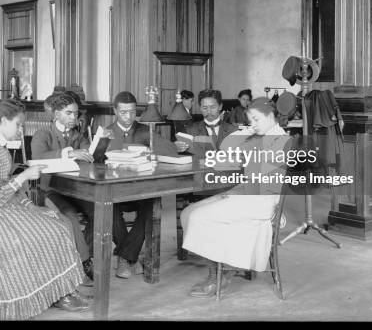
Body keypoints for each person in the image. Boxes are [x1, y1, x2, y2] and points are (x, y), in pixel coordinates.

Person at [0, 99, 89, 319]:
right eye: (18, 125)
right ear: (3, 121)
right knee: (54, 229)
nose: (21, 130)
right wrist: (24, 176)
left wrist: (30, 205)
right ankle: (60, 293)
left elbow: (3, 185)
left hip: (7, 205)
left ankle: (60, 291)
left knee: (58, 221)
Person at [180, 97, 296, 297]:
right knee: (187, 212)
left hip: (260, 203)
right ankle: (220, 268)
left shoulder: (279, 139)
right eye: (251, 120)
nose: (254, 125)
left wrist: (236, 193)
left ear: (270, 116)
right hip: (246, 194)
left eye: (257, 120)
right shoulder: (262, 136)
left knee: (199, 217)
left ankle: (219, 276)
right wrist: (249, 131)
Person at [106, 91, 178, 279]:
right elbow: (94, 165)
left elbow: (171, 150)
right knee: (109, 210)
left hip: (141, 191)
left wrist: (151, 147)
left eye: (132, 112)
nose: (129, 117)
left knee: (153, 206)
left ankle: (125, 257)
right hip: (115, 191)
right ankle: (130, 257)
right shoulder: (106, 132)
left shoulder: (145, 130)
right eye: (123, 112)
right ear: (115, 111)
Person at [30, 92, 95, 282]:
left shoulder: (78, 135)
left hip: (76, 189)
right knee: (69, 215)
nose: (73, 118)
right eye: (68, 113)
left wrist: (96, 148)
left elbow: (88, 156)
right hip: (49, 189)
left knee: (98, 210)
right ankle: (85, 262)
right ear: (56, 114)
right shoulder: (43, 134)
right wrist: (68, 153)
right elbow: (38, 158)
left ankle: (84, 253)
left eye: (75, 113)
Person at [175, 89, 237, 155]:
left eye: (212, 107)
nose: (209, 111)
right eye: (205, 108)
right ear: (200, 108)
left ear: (220, 106)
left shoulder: (233, 131)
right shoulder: (190, 131)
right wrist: (176, 148)